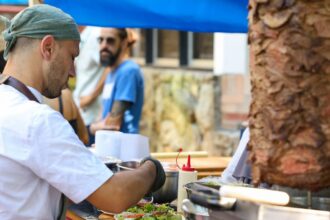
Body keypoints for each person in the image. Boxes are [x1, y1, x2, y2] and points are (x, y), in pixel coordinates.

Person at [0, 4, 165, 219]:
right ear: (48, 47)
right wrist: (152, 169)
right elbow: (116, 196)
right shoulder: (38, 121)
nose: (72, 72)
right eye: (72, 56)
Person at [90, 28, 144, 134]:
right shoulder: (112, 72)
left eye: (110, 41)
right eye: (101, 40)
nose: (103, 46)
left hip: (125, 146)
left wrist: (91, 128)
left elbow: (112, 124)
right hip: (111, 144)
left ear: (123, 43)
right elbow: (103, 116)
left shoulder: (128, 71)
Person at [73, 26, 106, 146]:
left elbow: (110, 66)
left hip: (93, 116)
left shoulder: (96, 34)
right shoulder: (81, 36)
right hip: (82, 113)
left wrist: (92, 96)